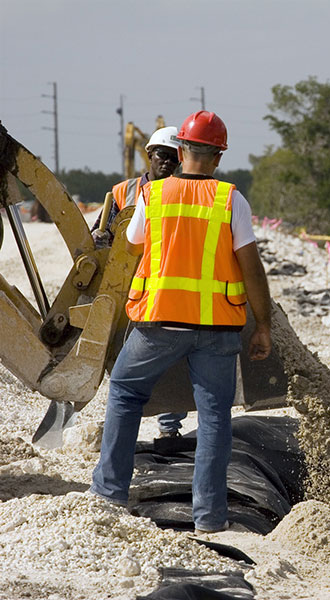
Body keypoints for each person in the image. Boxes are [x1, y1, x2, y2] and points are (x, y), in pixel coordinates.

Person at [89, 110, 273, 533]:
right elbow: (252, 268)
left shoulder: (152, 197)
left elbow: (132, 244)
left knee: (125, 392)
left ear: (182, 150)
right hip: (217, 328)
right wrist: (262, 325)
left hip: (159, 323)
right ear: (218, 156)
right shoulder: (231, 200)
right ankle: (209, 518)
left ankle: (110, 494)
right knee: (213, 418)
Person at [91, 125, 189, 440]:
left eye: (175, 157)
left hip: (166, 288)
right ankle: (120, 427)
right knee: (122, 359)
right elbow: (100, 234)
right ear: (149, 154)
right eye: (163, 155)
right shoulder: (123, 192)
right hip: (125, 288)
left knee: (173, 360)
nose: (168, 162)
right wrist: (101, 237)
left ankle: (169, 429)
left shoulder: (185, 193)